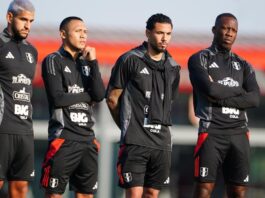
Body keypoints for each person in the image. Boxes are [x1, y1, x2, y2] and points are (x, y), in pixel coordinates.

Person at [106, 13, 180, 198]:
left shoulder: (173, 67)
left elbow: (168, 104)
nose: (164, 38)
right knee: (134, 195)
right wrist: (127, 126)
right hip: (135, 143)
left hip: (162, 144)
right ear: (147, 33)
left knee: (152, 195)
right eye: (159, 33)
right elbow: (112, 99)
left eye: (169, 34)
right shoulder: (129, 59)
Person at [188, 13, 260, 198]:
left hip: (239, 133)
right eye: (225, 28)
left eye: (233, 30)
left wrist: (218, 93)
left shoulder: (244, 65)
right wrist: (238, 91)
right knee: (204, 189)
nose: (229, 33)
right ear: (214, 29)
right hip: (211, 132)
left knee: (238, 191)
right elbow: (210, 90)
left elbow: (254, 99)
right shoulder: (199, 59)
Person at [40, 16, 105, 198]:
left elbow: (99, 95)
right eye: (78, 31)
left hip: (87, 140)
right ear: (63, 34)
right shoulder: (53, 60)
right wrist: (87, 96)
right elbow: (58, 98)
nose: (83, 35)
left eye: (85, 32)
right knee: (54, 194)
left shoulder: (87, 63)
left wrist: (93, 62)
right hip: (63, 139)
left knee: (86, 195)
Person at [0, 0, 37, 197]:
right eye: (23, 19)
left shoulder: (32, 51)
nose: (27, 25)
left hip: (25, 130)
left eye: (31, 21)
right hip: (2, 129)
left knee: (20, 188)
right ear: (9, 17)